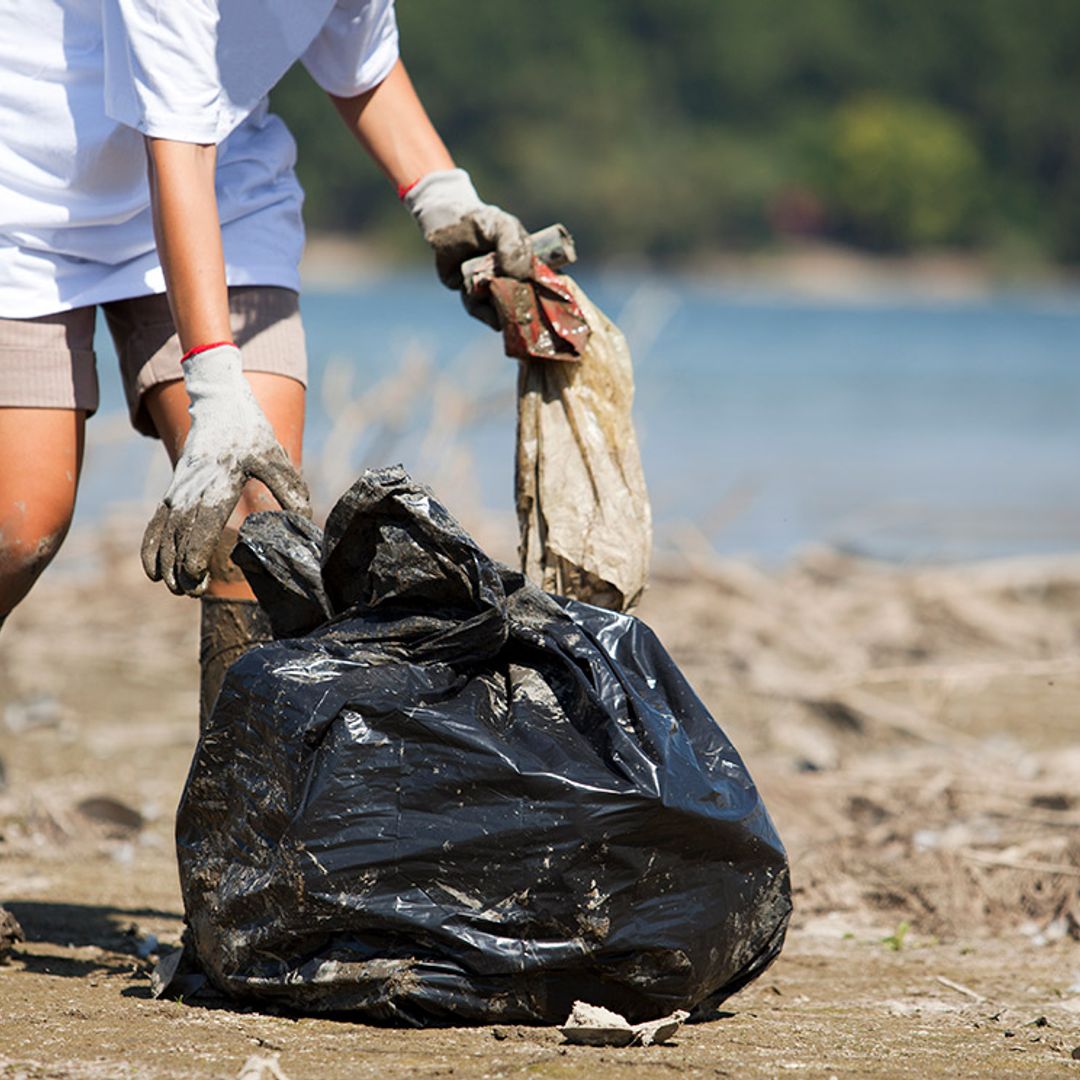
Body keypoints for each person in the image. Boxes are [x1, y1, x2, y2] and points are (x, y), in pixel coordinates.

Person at [0, 0, 531, 940]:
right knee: (19, 523)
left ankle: (244, 898)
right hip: (26, 191)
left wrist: (442, 194)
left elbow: (356, 57)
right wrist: (216, 388)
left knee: (263, 526)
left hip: (226, 189)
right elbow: (175, 144)